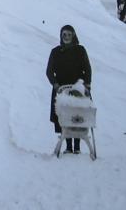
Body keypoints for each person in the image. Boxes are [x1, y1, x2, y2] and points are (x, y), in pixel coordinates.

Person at [45, 24, 92, 154]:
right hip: (61, 89)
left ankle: (77, 146)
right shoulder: (55, 52)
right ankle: (68, 146)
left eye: (69, 34)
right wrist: (55, 85)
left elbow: (87, 68)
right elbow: (49, 71)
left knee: (77, 114)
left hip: (78, 88)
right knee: (63, 115)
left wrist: (87, 85)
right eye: (64, 35)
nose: (66, 37)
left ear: (74, 36)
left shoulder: (80, 50)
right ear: (61, 36)